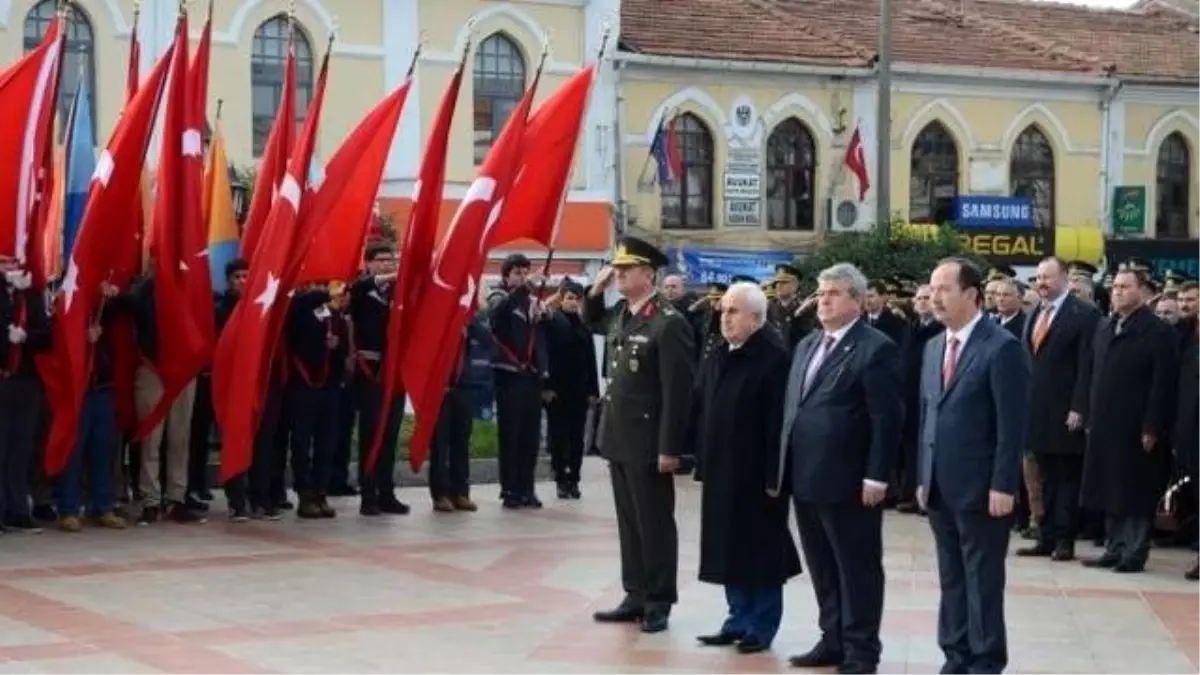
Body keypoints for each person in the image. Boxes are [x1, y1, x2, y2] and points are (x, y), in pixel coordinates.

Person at [783, 263, 904, 675]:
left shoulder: (876, 347)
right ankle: (831, 637)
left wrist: (877, 474)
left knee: (857, 567)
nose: (824, 300)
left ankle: (861, 650)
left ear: (856, 299)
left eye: (833, 293)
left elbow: (886, 418)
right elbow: (793, 410)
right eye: (820, 292)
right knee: (822, 564)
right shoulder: (808, 345)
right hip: (807, 476)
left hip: (850, 479)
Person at [919, 257, 1030, 675]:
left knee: (982, 580)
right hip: (939, 484)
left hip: (983, 488)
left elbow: (1011, 424)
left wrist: (1004, 484)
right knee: (951, 577)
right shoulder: (933, 346)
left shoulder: (1001, 348)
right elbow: (927, 415)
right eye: (932, 288)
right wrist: (920, 475)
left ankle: (985, 661)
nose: (934, 297)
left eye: (944, 288)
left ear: (971, 294)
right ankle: (956, 654)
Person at [584, 236, 695, 634]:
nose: (618, 274)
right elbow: (590, 321)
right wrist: (594, 291)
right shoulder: (621, 313)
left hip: (649, 442)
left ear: (648, 274)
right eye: (617, 268)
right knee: (630, 522)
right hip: (618, 436)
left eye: (626, 269)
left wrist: (670, 448)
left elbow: (677, 393)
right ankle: (635, 592)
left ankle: (659, 599)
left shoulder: (668, 322)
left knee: (654, 523)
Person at [692, 281, 801, 655]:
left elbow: (778, 423)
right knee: (727, 546)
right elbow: (706, 407)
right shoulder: (721, 353)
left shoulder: (772, 358)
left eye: (734, 311)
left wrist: (775, 474)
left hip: (758, 475)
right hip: (723, 470)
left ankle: (762, 625)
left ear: (756, 317)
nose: (725, 318)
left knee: (761, 551)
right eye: (723, 310)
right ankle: (736, 618)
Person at [1079, 267, 1179, 573]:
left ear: (1141, 291)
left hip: (1136, 425)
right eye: (1115, 287)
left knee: (1135, 489)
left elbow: (1163, 384)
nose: (1118, 291)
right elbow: (1092, 374)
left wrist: (1152, 425)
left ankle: (1134, 551)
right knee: (1110, 487)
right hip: (1105, 423)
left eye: (1125, 286)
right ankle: (1115, 546)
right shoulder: (1106, 327)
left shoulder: (1158, 332)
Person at [1016, 257, 1099, 562]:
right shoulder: (1036, 311)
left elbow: (1086, 366)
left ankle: (1065, 538)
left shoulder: (1083, 314)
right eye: (1038, 277)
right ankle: (1046, 535)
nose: (1041, 283)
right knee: (1044, 477)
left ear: (1064, 278)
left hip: (1066, 412)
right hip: (1036, 411)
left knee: (1066, 478)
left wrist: (1079, 406)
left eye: (1048, 277)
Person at [488, 253, 550, 509]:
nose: (523, 277)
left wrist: (545, 315)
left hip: (531, 376)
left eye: (526, 272)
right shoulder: (499, 297)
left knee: (530, 436)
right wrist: (525, 288)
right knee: (511, 434)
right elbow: (497, 315)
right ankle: (510, 489)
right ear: (506, 276)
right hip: (508, 373)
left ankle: (527, 488)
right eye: (517, 273)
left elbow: (541, 340)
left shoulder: (531, 302)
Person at [284, 282, 351, 519]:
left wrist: (337, 345)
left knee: (327, 441)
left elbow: (344, 346)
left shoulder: (334, 314)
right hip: (304, 385)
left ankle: (321, 491)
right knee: (302, 442)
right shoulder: (299, 307)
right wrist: (325, 292)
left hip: (330, 386)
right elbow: (301, 313)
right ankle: (305, 493)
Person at [0, 258, 51, 532]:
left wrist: (25, 336)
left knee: (21, 449)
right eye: (5, 263)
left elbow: (47, 335)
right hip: (2, 377)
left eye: (15, 262)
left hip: (27, 381)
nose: (11, 268)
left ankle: (18, 510)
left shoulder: (32, 295)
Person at [542, 280, 599, 499]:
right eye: (569, 298)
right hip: (557, 391)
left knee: (577, 438)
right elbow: (546, 356)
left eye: (577, 299)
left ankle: (574, 479)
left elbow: (591, 361)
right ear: (562, 299)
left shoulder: (584, 328)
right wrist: (546, 387)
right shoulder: (553, 323)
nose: (573, 303)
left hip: (579, 392)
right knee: (558, 437)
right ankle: (560, 479)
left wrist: (593, 391)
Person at [429, 310, 489, 514]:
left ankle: (461, 492)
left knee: (461, 442)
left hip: (464, 387)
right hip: (440, 388)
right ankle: (440, 493)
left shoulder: (470, 323)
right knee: (440, 443)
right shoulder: (437, 318)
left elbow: (488, 341)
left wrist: (469, 324)